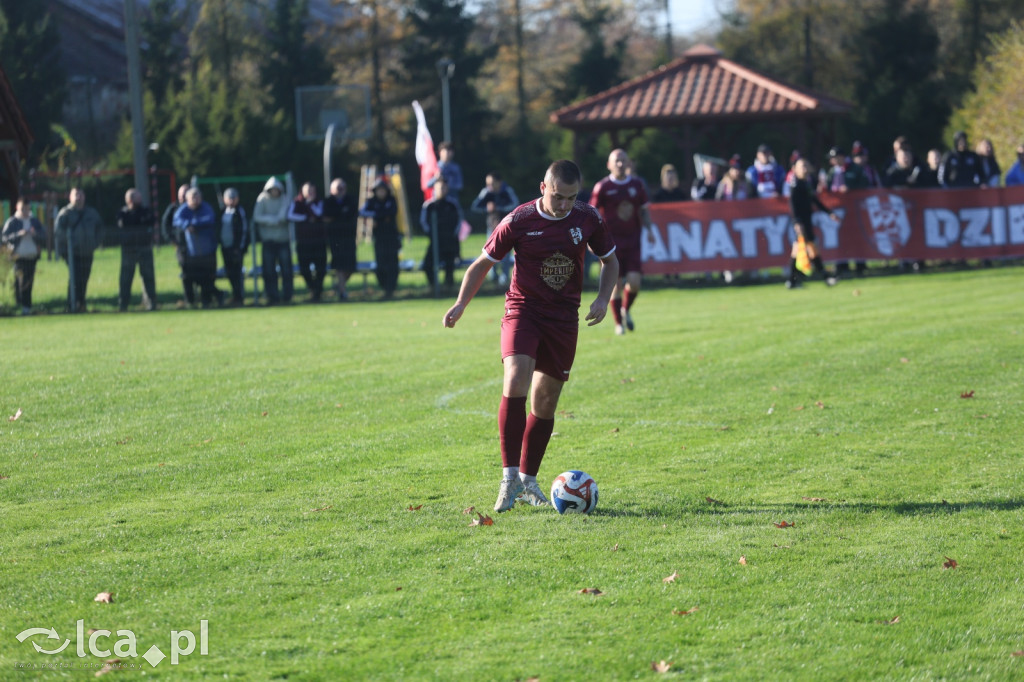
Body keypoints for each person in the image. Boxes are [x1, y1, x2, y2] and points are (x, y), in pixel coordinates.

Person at [442, 159, 619, 513]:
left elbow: (610, 261)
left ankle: (528, 481)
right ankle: (508, 479)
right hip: (523, 311)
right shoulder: (519, 220)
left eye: (571, 197)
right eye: (558, 196)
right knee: (516, 376)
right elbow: (482, 264)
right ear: (543, 188)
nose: (564, 205)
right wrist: (461, 304)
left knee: (546, 401)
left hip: (563, 319)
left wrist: (603, 298)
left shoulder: (588, 218)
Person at [589, 148, 650, 336]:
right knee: (614, 284)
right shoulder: (602, 187)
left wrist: (650, 230)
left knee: (635, 283)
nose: (621, 164)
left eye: (623, 160)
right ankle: (618, 324)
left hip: (633, 241)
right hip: (610, 244)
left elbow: (644, 210)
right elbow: (592, 213)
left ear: (629, 163)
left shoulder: (637, 185)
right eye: (617, 161)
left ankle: (625, 309)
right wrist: (591, 239)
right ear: (609, 165)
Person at [786, 158, 838, 289]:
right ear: (795, 169)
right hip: (801, 222)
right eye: (802, 166)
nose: (805, 168)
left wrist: (828, 212)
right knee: (809, 249)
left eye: (806, 165)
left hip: (806, 220)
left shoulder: (805, 182)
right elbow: (792, 205)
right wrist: (797, 222)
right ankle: (825, 277)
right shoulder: (795, 184)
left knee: (800, 250)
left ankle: (792, 281)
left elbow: (814, 200)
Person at [54, 187, 104, 312]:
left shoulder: (91, 213)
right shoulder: (65, 213)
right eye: (76, 194)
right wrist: (68, 246)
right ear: (70, 197)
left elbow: (100, 229)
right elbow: (59, 232)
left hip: (87, 251)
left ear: (84, 197)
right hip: (72, 253)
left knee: (84, 278)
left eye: (81, 195)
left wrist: (94, 244)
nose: (78, 197)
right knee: (75, 278)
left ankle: (81, 304)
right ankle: (71, 304)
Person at [173, 187, 221, 308]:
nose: (195, 200)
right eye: (192, 198)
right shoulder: (183, 209)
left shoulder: (206, 208)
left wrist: (193, 224)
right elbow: (176, 220)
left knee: (208, 278)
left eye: (197, 197)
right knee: (190, 277)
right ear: (187, 199)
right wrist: (186, 225)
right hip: (191, 254)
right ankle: (191, 301)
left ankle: (207, 301)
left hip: (207, 252)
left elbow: (209, 219)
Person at [470, 171, 519, 285]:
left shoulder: (508, 191)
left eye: (491, 183)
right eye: (488, 184)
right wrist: (487, 209)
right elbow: (475, 206)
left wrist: (498, 208)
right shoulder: (486, 192)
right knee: (490, 253)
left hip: (506, 228)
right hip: (491, 228)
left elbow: (516, 205)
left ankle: (504, 279)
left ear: (499, 182)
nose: (489, 186)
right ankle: (493, 278)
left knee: (506, 254)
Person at [252, 177, 293, 305]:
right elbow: (257, 217)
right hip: (268, 241)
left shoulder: (284, 198)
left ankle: (287, 296)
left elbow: (283, 216)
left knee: (286, 270)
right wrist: (272, 220)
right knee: (269, 271)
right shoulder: (262, 199)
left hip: (283, 240)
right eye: (272, 189)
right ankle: (272, 296)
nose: (275, 192)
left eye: (277, 189)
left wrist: (274, 220)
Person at [2, 198, 46, 315]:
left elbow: (43, 236)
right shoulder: (12, 222)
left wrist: (34, 234)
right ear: (17, 207)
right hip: (18, 257)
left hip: (32, 256)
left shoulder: (34, 221)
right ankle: (23, 305)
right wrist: (19, 234)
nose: (25, 211)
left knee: (28, 281)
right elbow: (5, 238)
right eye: (22, 209)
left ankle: (25, 306)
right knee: (22, 282)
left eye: (27, 209)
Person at [116, 188, 157, 311]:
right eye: (136, 197)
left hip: (145, 248)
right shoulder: (122, 213)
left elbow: (151, 222)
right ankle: (123, 304)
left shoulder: (146, 211)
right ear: (129, 199)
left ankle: (151, 303)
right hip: (128, 249)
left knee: (148, 276)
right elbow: (123, 225)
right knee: (126, 278)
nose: (140, 199)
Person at [360, 177, 401, 299]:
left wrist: (377, 216)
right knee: (380, 265)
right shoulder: (372, 201)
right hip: (379, 239)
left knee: (393, 265)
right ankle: (385, 288)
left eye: (383, 190)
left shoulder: (391, 200)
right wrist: (378, 215)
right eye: (378, 190)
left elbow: (392, 211)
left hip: (392, 238)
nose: (381, 192)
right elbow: (362, 212)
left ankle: (391, 290)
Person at [420, 177, 463, 290]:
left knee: (450, 267)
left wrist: (452, 235)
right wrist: (432, 236)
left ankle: (448, 289)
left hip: (450, 242)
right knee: (427, 265)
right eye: (440, 188)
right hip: (435, 242)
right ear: (434, 188)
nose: (442, 190)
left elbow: (459, 221)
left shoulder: (452, 204)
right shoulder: (429, 205)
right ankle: (434, 287)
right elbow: (424, 223)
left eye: (444, 187)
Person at [288, 182, 328, 302]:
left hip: (319, 241)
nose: (311, 193)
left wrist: (310, 204)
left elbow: (319, 214)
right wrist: (305, 217)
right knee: (304, 269)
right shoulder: (297, 202)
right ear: (303, 191)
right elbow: (290, 215)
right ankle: (313, 289)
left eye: (313, 191)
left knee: (321, 268)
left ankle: (318, 292)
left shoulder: (319, 202)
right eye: (308, 191)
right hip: (303, 242)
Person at [322, 177, 359, 300]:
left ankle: (339, 285)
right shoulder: (328, 201)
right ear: (332, 190)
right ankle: (342, 292)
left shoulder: (351, 199)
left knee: (351, 265)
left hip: (349, 237)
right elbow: (327, 216)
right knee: (339, 264)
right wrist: (341, 213)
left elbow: (352, 213)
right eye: (338, 188)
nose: (340, 190)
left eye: (342, 188)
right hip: (335, 238)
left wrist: (336, 215)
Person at [162, 183, 195, 308]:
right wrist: (171, 240)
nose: (182, 196)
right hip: (182, 247)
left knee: (200, 272)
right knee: (186, 273)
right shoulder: (173, 208)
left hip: (197, 248)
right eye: (180, 194)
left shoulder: (196, 207)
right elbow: (165, 225)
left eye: (184, 194)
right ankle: (189, 299)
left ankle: (205, 298)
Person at [219, 187, 249, 306]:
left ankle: (239, 298)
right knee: (230, 273)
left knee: (237, 274)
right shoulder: (222, 211)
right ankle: (235, 296)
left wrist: (239, 248)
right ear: (224, 199)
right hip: (225, 248)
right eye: (229, 198)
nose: (231, 200)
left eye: (233, 198)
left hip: (236, 249)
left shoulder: (240, 211)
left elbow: (244, 231)